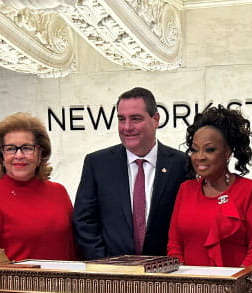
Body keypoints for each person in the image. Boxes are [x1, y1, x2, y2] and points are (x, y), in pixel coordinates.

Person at [73, 87, 188, 259]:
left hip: (167, 274)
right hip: (111, 274)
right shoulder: (97, 163)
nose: (127, 127)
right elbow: (84, 221)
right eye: (121, 119)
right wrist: (104, 263)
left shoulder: (181, 164)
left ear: (155, 119)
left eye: (136, 119)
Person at [167, 106, 252, 267]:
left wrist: (232, 285)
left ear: (227, 152)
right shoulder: (186, 189)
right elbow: (174, 245)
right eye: (195, 150)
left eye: (209, 150)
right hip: (188, 288)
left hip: (235, 288)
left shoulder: (250, 191)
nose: (200, 157)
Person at [0, 112, 77, 261]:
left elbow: (74, 249)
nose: (18, 155)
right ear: (2, 155)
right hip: (15, 284)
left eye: (27, 148)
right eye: (11, 148)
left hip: (65, 282)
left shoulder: (59, 192)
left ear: (40, 153)